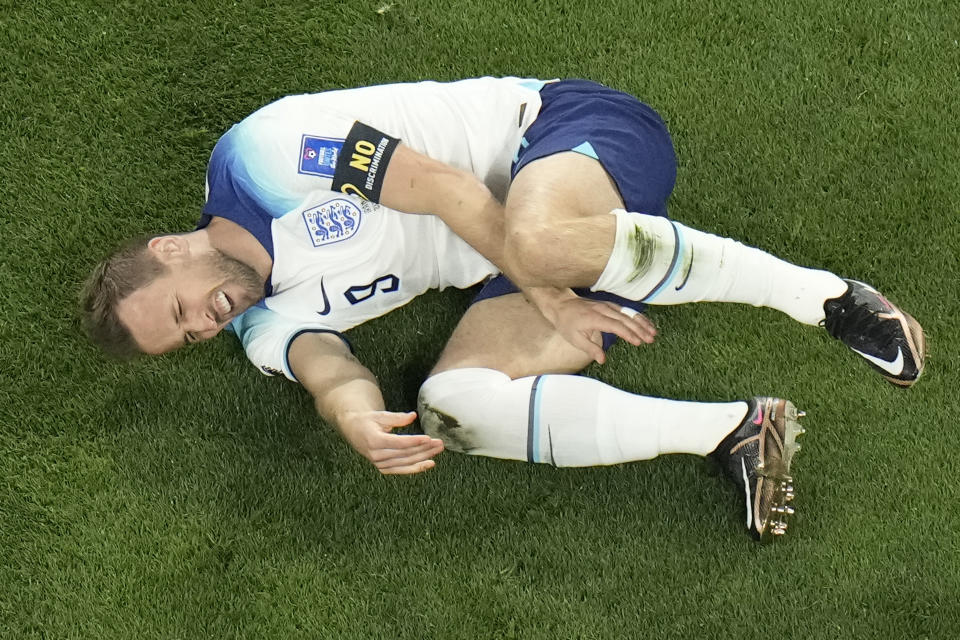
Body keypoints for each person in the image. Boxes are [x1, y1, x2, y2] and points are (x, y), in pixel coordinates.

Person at [81, 77, 925, 541]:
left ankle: (825, 299)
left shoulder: (262, 155)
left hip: (564, 137)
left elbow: (445, 188)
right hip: (535, 259)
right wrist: (359, 423)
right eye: (189, 339)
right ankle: (732, 431)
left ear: (170, 250)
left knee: (537, 241)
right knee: (455, 406)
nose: (206, 325)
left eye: (184, 309)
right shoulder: (264, 324)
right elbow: (329, 368)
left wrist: (546, 295)